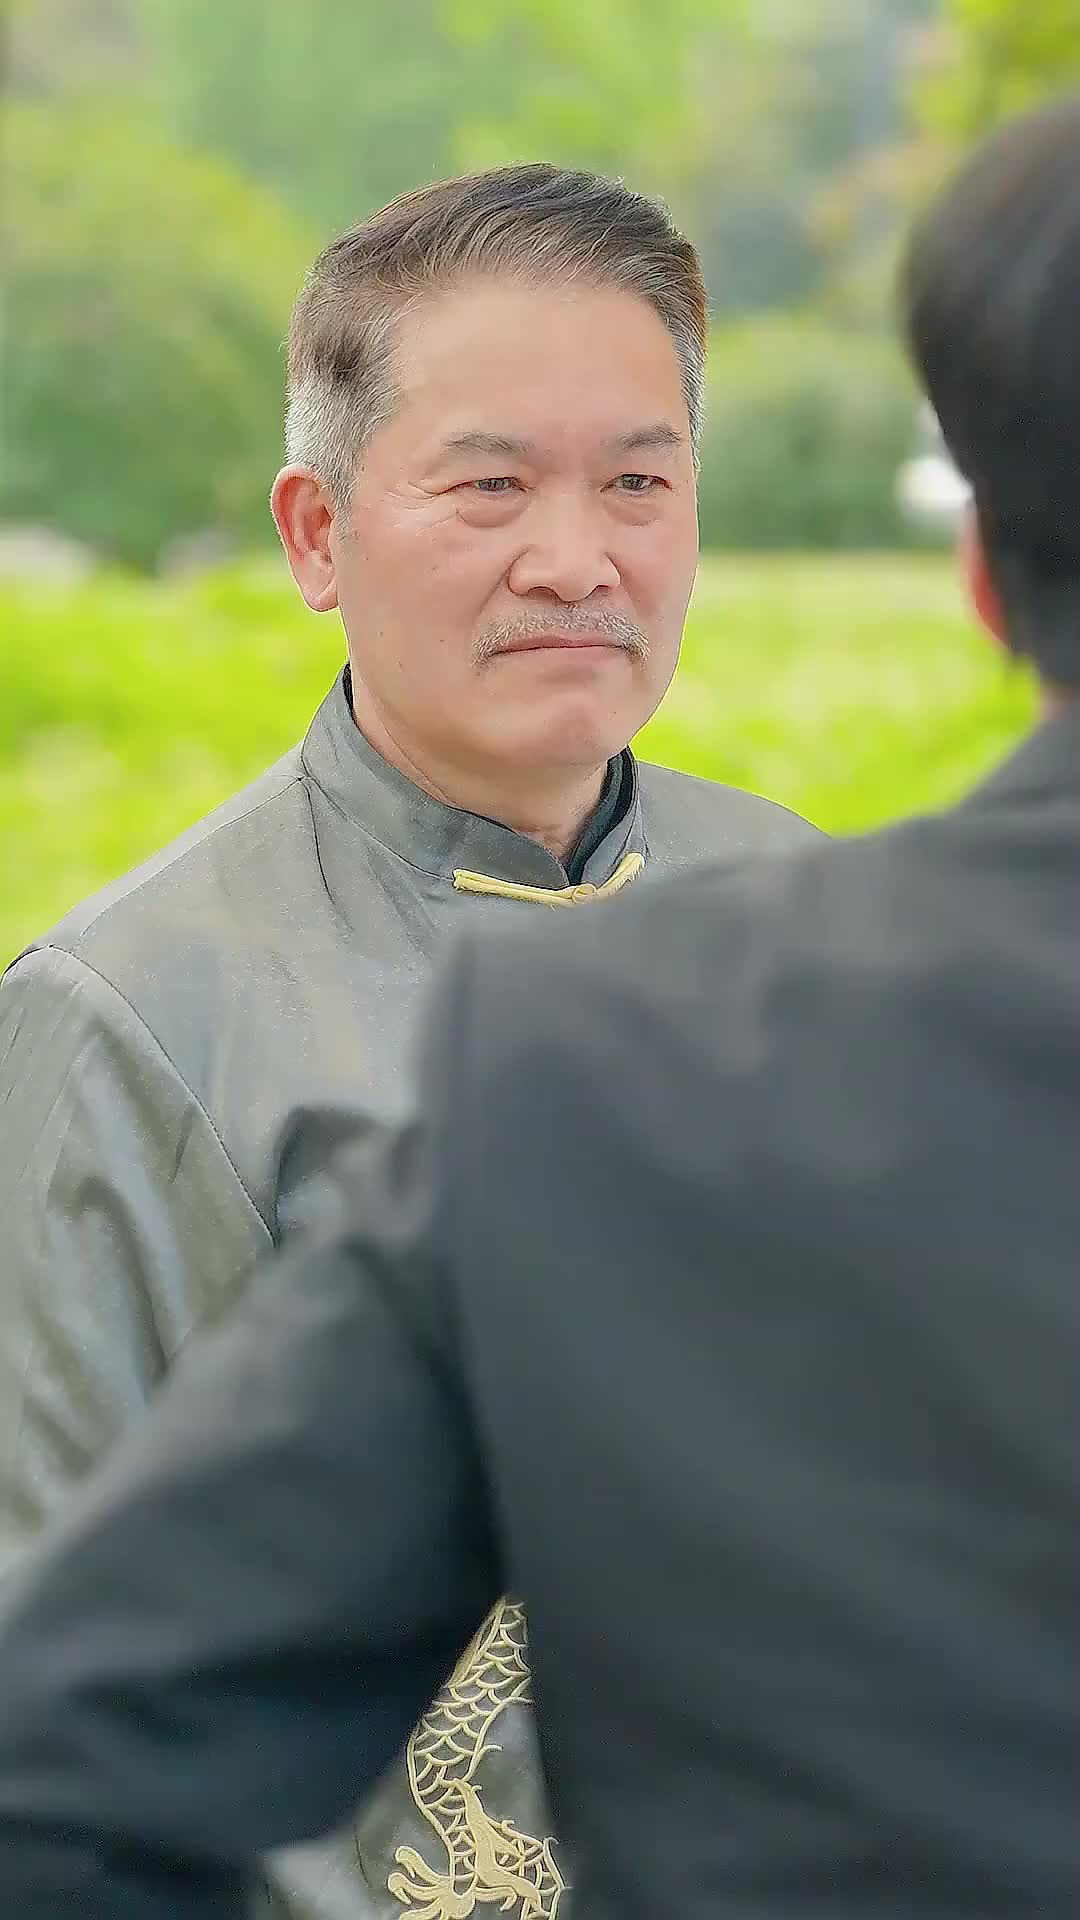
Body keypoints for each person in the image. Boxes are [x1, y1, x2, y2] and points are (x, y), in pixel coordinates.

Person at [5, 99, 1080, 1919]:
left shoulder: (813, 907)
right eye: (490, 487)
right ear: (317, 534)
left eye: (639, 485)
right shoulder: (120, 1014)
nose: (577, 559)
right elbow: (65, 1708)